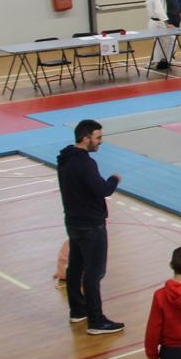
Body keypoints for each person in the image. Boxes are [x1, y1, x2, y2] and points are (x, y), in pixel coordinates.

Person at [58, 120, 124, 334]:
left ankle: (78, 310)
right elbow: (102, 189)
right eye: (98, 137)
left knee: (75, 267)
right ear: (86, 138)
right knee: (94, 273)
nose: (100, 141)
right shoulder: (85, 163)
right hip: (91, 225)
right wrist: (114, 180)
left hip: (73, 222)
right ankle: (96, 321)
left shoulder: (65, 157)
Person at [145, 0, 174, 71]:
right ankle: (159, 61)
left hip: (156, 22)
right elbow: (159, 10)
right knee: (167, 41)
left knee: (165, 42)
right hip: (157, 23)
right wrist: (166, 23)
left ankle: (163, 60)